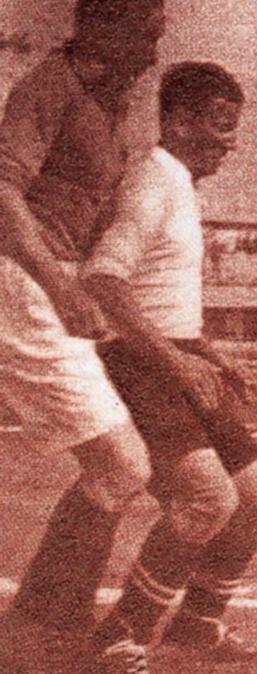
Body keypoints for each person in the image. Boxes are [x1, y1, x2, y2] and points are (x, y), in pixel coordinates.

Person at [81, 62, 257, 672]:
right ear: (178, 120)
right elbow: (103, 281)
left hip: (181, 358)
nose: (230, 140)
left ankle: (197, 625)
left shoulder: (182, 185)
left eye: (234, 127)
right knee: (205, 500)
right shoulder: (152, 182)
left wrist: (211, 353)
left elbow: (161, 293)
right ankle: (118, 633)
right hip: (141, 364)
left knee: (254, 503)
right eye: (219, 125)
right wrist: (173, 360)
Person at [0, 1, 165, 670]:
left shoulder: (113, 102)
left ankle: (47, 623)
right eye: (146, 35)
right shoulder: (50, 85)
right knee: (123, 465)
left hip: (50, 281)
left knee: (117, 466)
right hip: (21, 278)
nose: (155, 52)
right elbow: (3, 194)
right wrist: (60, 287)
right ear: (102, 27)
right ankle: (42, 630)